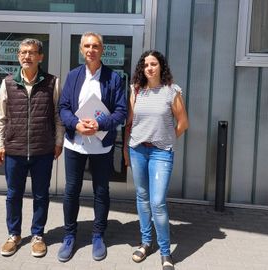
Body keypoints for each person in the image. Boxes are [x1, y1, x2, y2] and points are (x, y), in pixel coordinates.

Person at [57, 32, 127, 262]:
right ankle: (69, 236)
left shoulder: (114, 78)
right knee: (71, 190)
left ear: (102, 50)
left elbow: (121, 112)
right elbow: (64, 108)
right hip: (75, 144)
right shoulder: (74, 76)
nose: (91, 50)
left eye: (95, 46)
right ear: (81, 49)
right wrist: (76, 124)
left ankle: (98, 235)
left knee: (101, 191)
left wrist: (99, 124)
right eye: (87, 46)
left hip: (102, 146)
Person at [0, 38, 64, 258]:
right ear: (18, 56)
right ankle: (13, 235)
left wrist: (58, 141)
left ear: (40, 57)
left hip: (42, 150)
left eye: (32, 52)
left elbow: (57, 116)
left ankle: (38, 236)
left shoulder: (52, 82)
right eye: (23, 52)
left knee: (41, 195)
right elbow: (0, 117)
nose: (27, 56)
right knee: (13, 195)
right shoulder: (8, 83)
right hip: (14, 149)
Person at [123, 50, 188, 270]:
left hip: (161, 153)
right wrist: (125, 149)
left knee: (157, 202)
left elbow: (183, 123)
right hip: (138, 150)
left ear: (161, 66)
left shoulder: (172, 91)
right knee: (142, 197)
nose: (149, 68)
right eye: (146, 64)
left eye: (154, 64)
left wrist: (165, 139)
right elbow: (130, 123)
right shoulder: (136, 90)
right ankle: (146, 243)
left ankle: (165, 251)